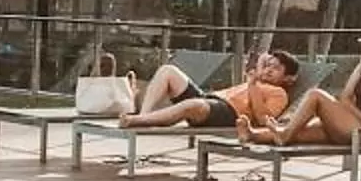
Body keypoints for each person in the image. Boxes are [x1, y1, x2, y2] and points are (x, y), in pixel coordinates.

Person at [251, 26, 361, 147]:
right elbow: (345, 98)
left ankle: (283, 134)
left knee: (315, 94)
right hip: (354, 124)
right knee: (299, 130)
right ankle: (252, 135)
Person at [121, 49, 292, 131]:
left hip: (231, 113)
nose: (269, 70)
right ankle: (143, 116)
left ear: (287, 78)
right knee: (168, 71)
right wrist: (259, 69)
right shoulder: (257, 81)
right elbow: (262, 62)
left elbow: (263, 120)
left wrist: (253, 85)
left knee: (192, 105)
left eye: (276, 68)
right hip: (211, 100)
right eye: (268, 66)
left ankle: (139, 121)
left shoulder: (279, 93)